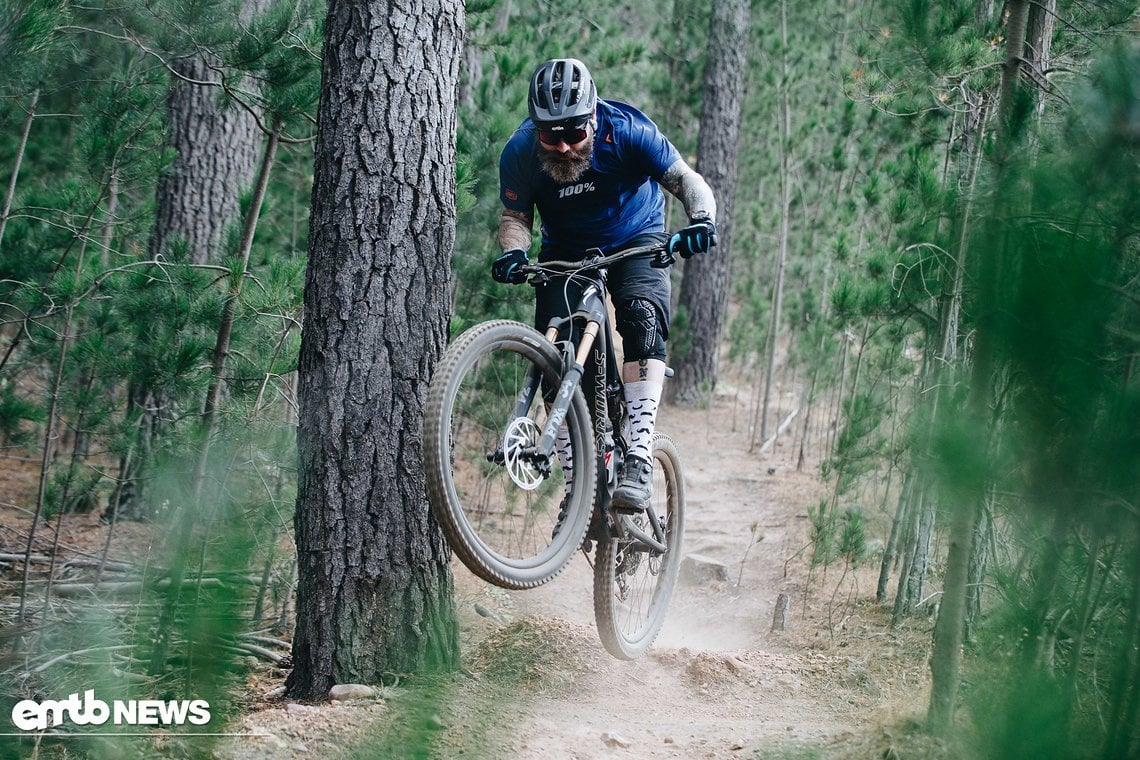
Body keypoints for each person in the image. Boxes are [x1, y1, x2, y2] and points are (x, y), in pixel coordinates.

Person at [492, 57, 718, 512]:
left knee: (640, 317)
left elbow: (685, 179)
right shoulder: (520, 152)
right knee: (558, 356)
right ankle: (580, 497)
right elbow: (515, 217)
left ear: (594, 118)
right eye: (550, 136)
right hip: (565, 252)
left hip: (637, 237)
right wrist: (514, 251)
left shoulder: (628, 130)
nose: (561, 147)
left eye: (574, 134)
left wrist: (701, 219)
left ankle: (637, 456)